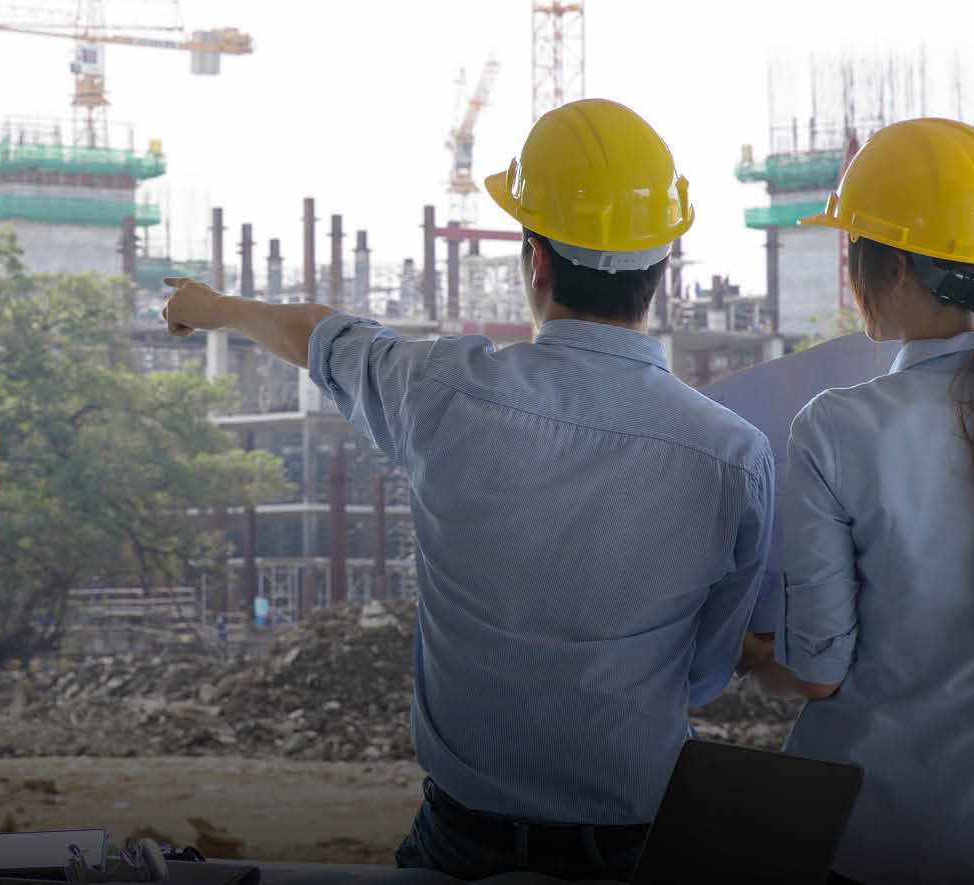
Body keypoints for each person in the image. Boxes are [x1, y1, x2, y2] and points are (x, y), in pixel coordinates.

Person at [160, 98, 774, 881]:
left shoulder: (441, 388)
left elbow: (318, 335)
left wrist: (211, 308)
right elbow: (704, 670)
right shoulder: (734, 456)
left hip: (461, 847)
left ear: (536, 258)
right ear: (662, 267)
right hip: (636, 845)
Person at [741, 118, 974, 884]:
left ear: (891, 271)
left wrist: (750, 654)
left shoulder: (836, 427)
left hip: (868, 842)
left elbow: (818, 671)